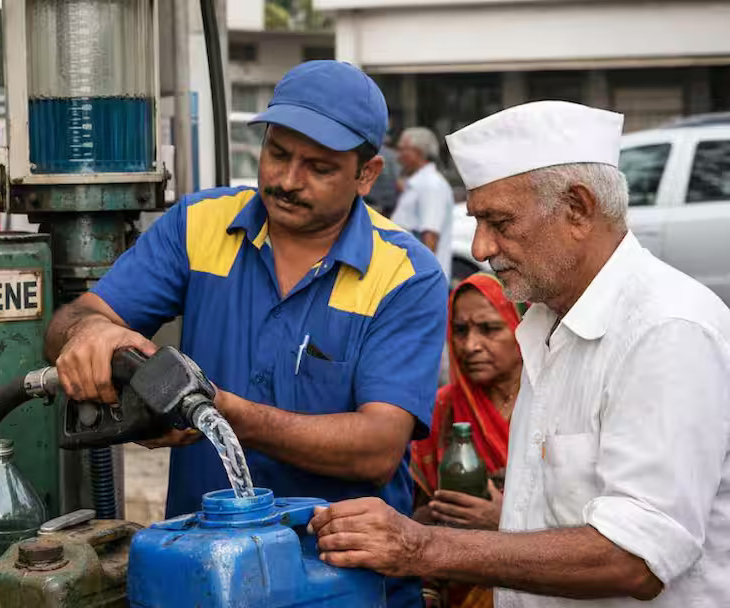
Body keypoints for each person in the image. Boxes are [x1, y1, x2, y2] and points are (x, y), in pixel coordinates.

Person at [45, 60, 448, 608]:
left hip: (343, 583)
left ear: (367, 174)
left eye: (319, 167)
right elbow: (75, 320)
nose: (287, 180)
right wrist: (91, 335)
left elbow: (376, 448)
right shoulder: (200, 225)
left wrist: (219, 411)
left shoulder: (404, 274)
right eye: (277, 153)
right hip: (202, 579)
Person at [308, 100, 730, 607]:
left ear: (578, 209)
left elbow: (635, 557)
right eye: (478, 222)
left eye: (499, 222)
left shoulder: (666, 330)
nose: (480, 248)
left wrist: (423, 547)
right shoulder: (548, 320)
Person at [410, 273, 524, 608]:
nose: (470, 345)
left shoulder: (550, 404)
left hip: (543, 582)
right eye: (460, 330)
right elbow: (417, 512)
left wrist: (504, 521)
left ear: (520, 326)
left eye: (489, 329)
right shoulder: (442, 409)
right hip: (458, 585)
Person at [391, 127, 454, 278]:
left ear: (418, 152)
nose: (398, 156)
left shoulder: (431, 184)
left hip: (419, 279)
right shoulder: (419, 183)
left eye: (403, 150)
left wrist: (423, 279)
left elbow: (430, 236)